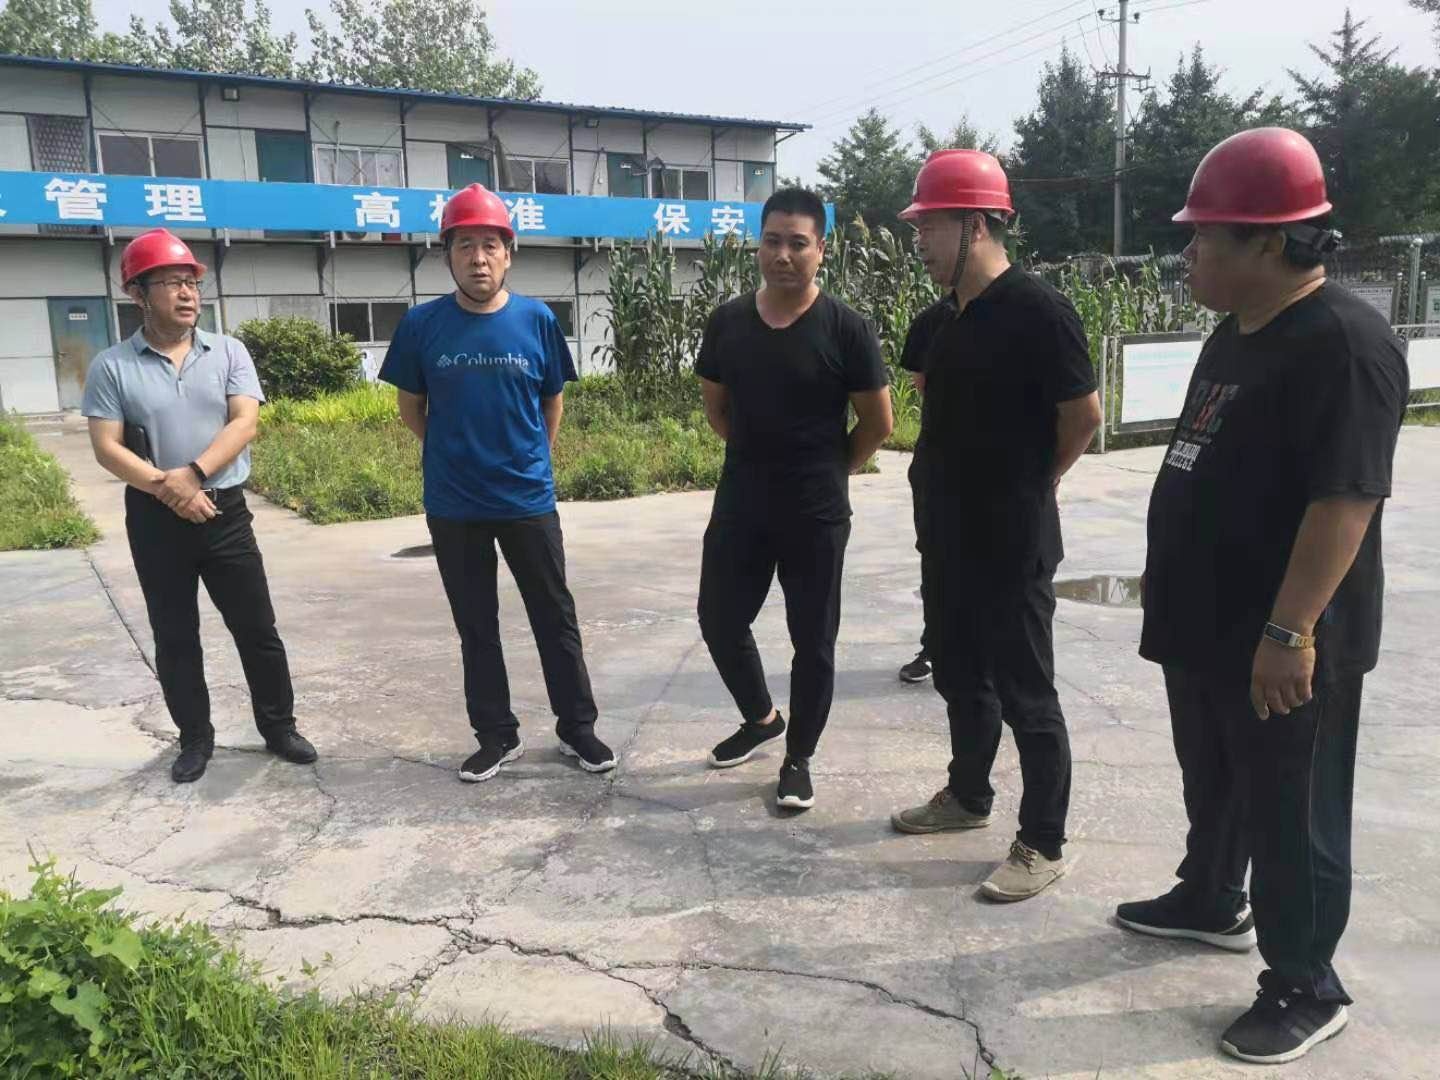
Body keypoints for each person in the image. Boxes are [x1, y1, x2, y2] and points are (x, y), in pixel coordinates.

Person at [1115, 128, 1408, 1065]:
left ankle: (1305, 985)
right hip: (1206, 623)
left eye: (1205, 236)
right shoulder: (1238, 328)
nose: (1190, 252)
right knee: (1216, 780)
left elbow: (1345, 500)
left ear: (1272, 242)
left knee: (1293, 809)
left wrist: (1290, 630)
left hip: (1282, 636)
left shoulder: (1344, 345)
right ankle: (1211, 896)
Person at [888, 151, 1101, 902]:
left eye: (931, 226)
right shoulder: (940, 320)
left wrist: (1034, 481)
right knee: (958, 672)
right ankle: (967, 795)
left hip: (1011, 539)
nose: (919, 241)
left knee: (1025, 693)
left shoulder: (1040, 311)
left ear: (975, 224)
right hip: (946, 535)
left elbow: (1083, 417)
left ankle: (1043, 841)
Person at [379, 183, 615, 783]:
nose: (478, 258)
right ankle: (495, 735)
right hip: (454, 504)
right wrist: (454, 453)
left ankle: (577, 728)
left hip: (527, 498)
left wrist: (526, 457)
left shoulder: (537, 320)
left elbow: (551, 403)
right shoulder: (421, 325)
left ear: (509, 253)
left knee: (554, 617)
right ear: (448, 256)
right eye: (464, 246)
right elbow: (411, 408)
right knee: (476, 624)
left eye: (489, 245)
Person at [82, 228, 317, 784]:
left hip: (225, 511)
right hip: (155, 517)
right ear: (137, 294)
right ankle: (194, 739)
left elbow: (245, 422)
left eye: (191, 282)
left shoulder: (229, 351)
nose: (187, 293)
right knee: (175, 635)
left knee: (256, 628)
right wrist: (169, 489)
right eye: (171, 283)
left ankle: (279, 727)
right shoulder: (112, 366)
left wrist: (192, 476)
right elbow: (107, 447)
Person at [696, 187, 893, 810]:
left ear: (821, 250)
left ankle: (798, 757)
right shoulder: (727, 322)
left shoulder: (846, 328)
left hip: (816, 512)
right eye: (773, 241)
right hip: (742, 501)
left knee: (813, 640)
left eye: (798, 243)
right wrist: (761, 458)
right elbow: (718, 409)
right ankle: (761, 718)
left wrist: (831, 470)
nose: (784, 255)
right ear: (758, 246)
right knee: (719, 618)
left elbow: (878, 422)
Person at [897, 306, 943, 685]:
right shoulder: (932, 321)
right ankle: (936, 646)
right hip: (936, 462)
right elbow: (922, 382)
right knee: (935, 557)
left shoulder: (1023, 311)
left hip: (1000, 466)